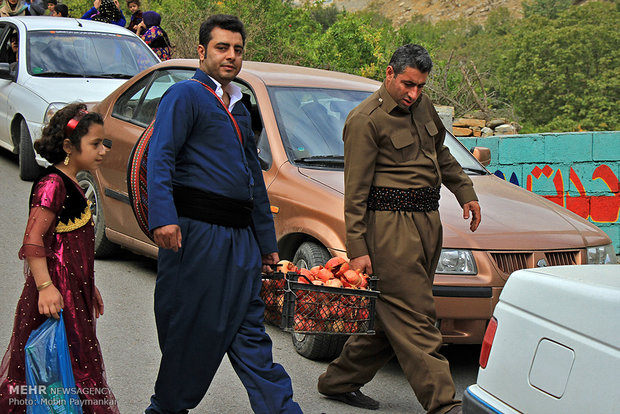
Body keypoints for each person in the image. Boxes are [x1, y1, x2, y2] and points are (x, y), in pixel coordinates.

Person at [144, 14, 302, 414]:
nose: (231, 56)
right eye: (222, 47)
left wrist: (267, 244)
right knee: (193, 331)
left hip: (241, 244)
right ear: (201, 51)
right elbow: (160, 157)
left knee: (250, 332)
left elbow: (253, 181)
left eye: (237, 49)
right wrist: (164, 217)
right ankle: (165, 409)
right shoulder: (185, 96)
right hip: (197, 237)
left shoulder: (240, 107)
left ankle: (283, 409)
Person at [317, 44, 482, 414]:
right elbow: (355, 193)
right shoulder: (365, 120)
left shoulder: (421, 107)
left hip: (427, 223)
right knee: (417, 316)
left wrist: (465, 191)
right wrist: (357, 247)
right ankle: (444, 404)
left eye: (421, 86)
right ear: (389, 73)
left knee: (389, 314)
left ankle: (337, 382)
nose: (413, 94)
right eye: (408, 84)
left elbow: (441, 154)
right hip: (390, 229)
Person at [0, 103, 119, 413]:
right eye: (95, 144)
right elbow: (33, 239)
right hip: (55, 297)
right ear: (69, 146)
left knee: (73, 368)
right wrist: (44, 287)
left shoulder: (74, 184)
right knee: (54, 373)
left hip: (72, 293)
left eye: (103, 143)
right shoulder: (52, 185)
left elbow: (67, 246)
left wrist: (87, 285)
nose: (102, 151)